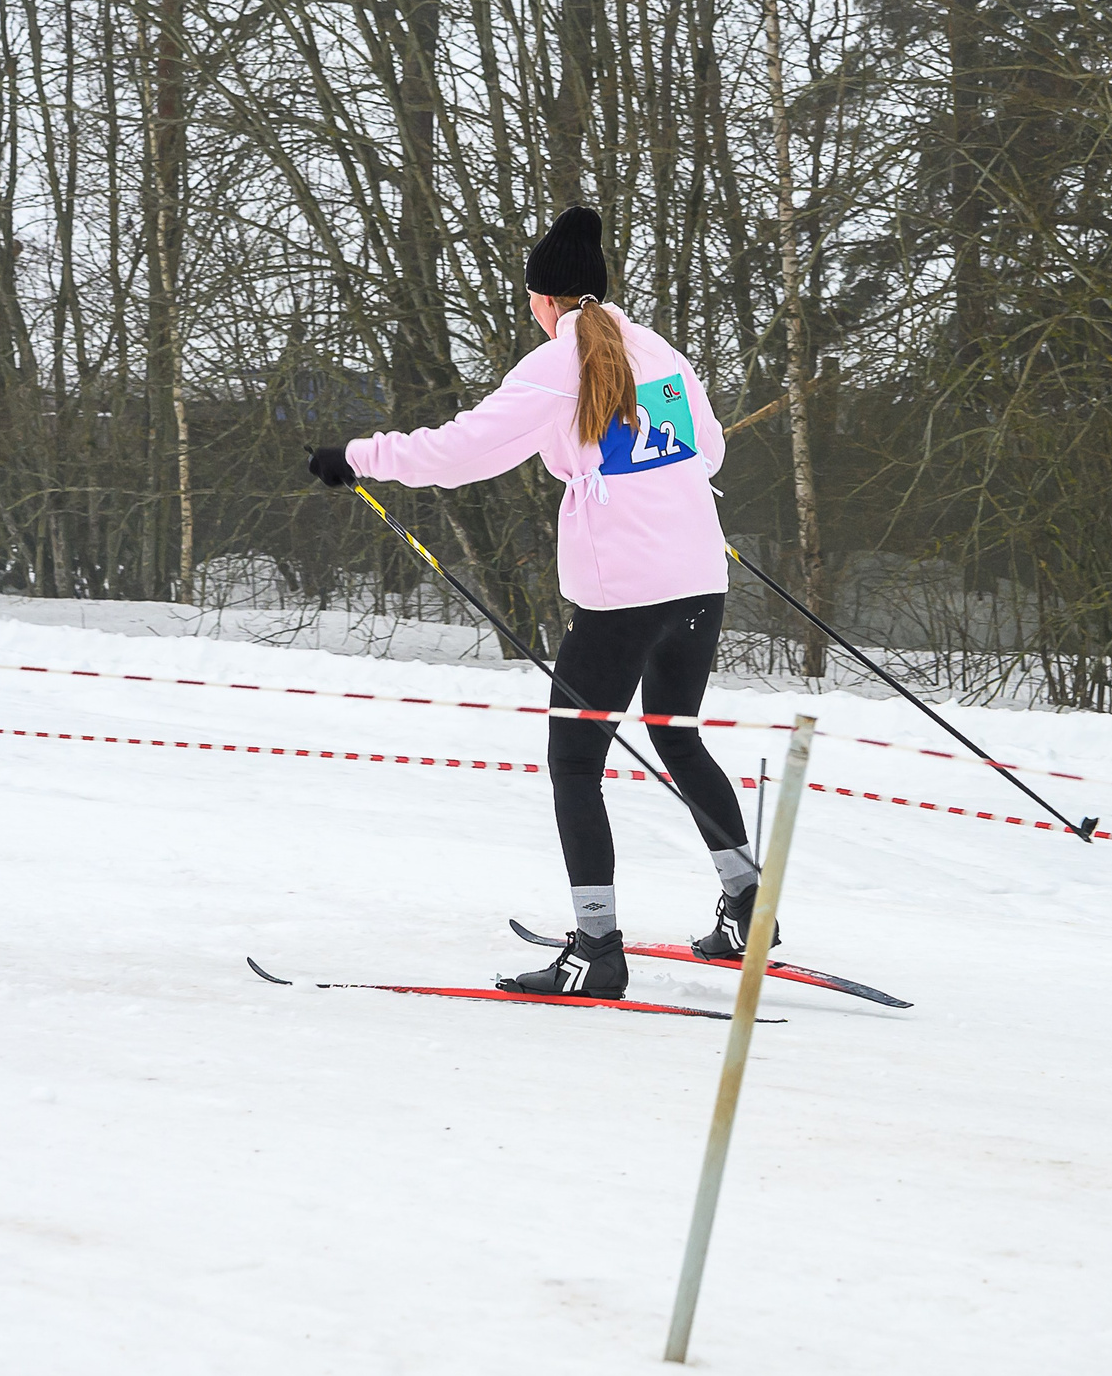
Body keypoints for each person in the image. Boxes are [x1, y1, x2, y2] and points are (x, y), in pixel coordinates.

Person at [304, 205, 768, 999]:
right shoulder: (658, 350)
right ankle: (746, 911)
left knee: (575, 764)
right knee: (678, 738)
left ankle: (596, 949)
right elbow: (709, 449)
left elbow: (458, 450)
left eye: (530, 297)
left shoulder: (557, 365)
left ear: (545, 299)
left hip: (623, 595)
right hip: (697, 580)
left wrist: (357, 455)